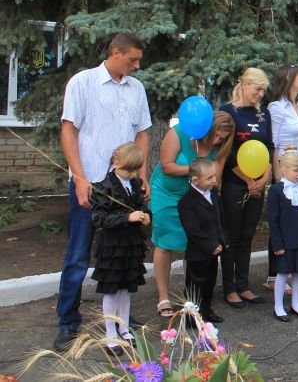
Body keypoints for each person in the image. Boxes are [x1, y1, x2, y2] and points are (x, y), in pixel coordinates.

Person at [55, 33, 152, 352]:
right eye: (133, 59)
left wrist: (141, 175)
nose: (137, 65)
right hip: (91, 180)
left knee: (124, 251)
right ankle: (68, 321)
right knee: (79, 253)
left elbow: (142, 133)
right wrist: (80, 178)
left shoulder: (136, 88)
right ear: (115, 52)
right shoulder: (82, 82)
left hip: (125, 185)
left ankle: (120, 318)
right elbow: (69, 130)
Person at [150, 111, 234, 318]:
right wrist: (197, 170)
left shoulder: (220, 147)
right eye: (215, 135)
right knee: (165, 243)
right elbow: (167, 166)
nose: (217, 141)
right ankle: (163, 298)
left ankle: (192, 299)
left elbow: (216, 179)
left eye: (222, 139)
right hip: (168, 193)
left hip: (199, 196)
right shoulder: (180, 132)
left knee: (196, 245)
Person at [219, 67, 276, 308]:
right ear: (244, 84)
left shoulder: (263, 115)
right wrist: (247, 180)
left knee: (247, 237)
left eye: (264, 89)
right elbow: (226, 152)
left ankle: (244, 286)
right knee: (231, 237)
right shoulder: (227, 112)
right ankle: (229, 288)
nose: (261, 94)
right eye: (257, 88)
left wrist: (264, 178)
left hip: (257, 184)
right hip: (235, 184)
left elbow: (270, 147)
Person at [90, 143, 149, 355]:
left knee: (126, 288)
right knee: (112, 289)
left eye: (135, 170)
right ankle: (110, 334)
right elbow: (99, 218)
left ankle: (124, 328)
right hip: (112, 246)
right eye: (129, 170)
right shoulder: (103, 187)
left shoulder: (134, 183)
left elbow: (140, 205)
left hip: (131, 244)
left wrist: (144, 214)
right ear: (116, 163)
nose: (132, 174)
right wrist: (127, 217)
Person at [266, 64, 298, 293]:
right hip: (284, 170)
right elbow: (273, 143)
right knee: (280, 219)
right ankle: (274, 274)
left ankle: (291, 269)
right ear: (290, 79)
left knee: (294, 219)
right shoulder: (276, 107)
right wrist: (277, 175)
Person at [177, 158, 227, 325]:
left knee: (209, 282)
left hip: (214, 248)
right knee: (195, 284)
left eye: (214, 176)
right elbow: (193, 230)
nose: (214, 180)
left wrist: (222, 240)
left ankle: (206, 310)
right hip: (198, 251)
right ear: (195, 180)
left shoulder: (213, 193)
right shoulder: (186, 201)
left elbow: (219, 218)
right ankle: (191, 317)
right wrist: (210, 245)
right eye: (209, 178)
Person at [268, 152, 298, 321]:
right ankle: (278, 306)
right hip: (285, 240)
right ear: (284, 169)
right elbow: (272, 220)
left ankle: (296, 304)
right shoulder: (276, 190)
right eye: (295, 170)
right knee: (282, 273)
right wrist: (277, 244)